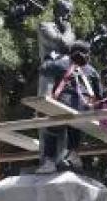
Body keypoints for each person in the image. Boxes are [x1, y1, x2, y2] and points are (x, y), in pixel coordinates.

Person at [38, 40, 102, 173]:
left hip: (63, 105)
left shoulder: (63, 63)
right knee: (76, 126)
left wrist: (50, 57)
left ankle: (49, 162)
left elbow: (43, 69)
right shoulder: (92, 71)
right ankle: (73, 153)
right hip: (84, 108)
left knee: (52, 129)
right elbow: (99, 94)